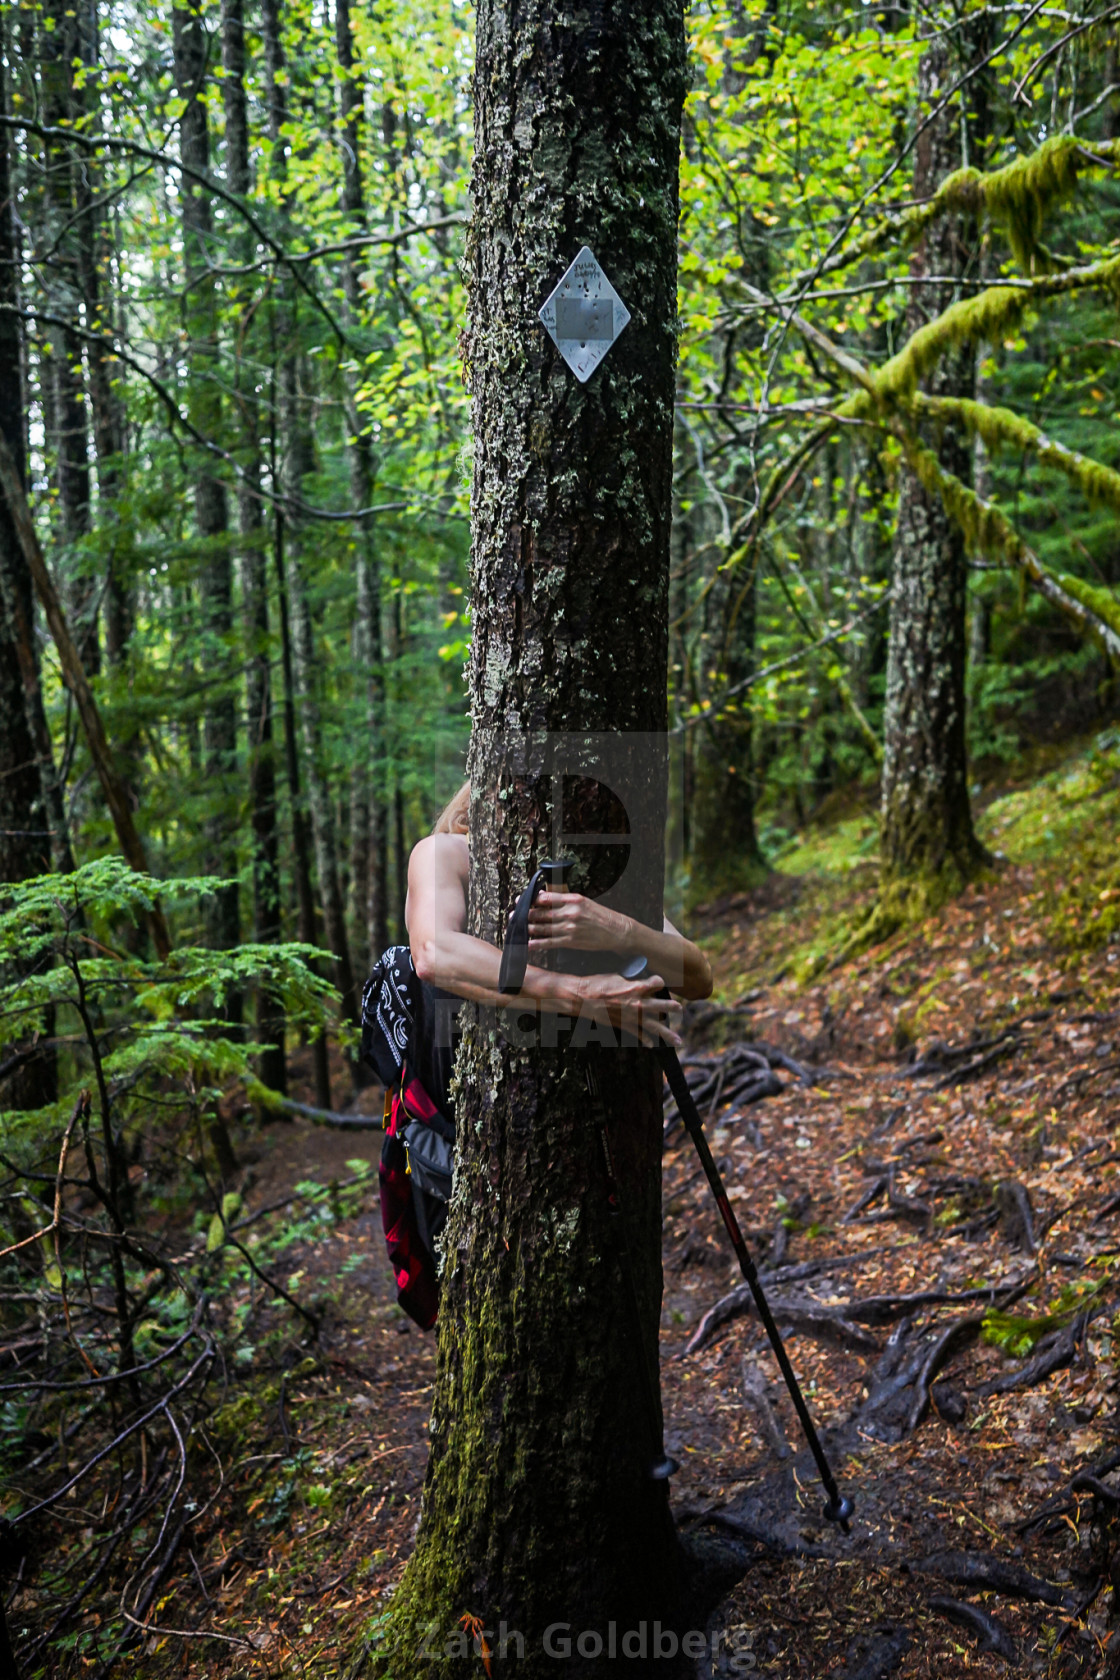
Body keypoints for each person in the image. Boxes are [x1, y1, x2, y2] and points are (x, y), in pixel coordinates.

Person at [405, 781, 712, 1074]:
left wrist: (618, 930)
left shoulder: (601, 860)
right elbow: (434, 953)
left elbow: (698, 978)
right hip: (452, 1113)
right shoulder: (444, 851)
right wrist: (581, 996)